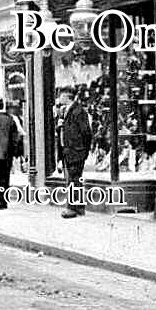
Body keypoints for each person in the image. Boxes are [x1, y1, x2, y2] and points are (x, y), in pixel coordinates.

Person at [59, 86, 92, 219]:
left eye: (61, 95)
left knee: (73, 180)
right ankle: (77, 207)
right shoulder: (65, 111)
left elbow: (86, 133)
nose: (59, 98)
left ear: (67, 96)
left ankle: (72, 208)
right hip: (68, 151)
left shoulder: (78, 111)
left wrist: (84, 151)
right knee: (72, 180)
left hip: (75, 151)